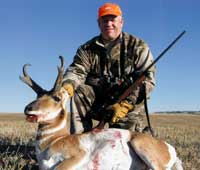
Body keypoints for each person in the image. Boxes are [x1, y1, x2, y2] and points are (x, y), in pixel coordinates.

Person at [62, 3, 155, 134]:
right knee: (78, 91)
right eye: (104, 20)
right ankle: (80, 141)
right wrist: (68, 84)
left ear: (121, 22)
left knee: (121, 145)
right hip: (98, 103)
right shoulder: (87, 49)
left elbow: (148, 81)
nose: (109, 23)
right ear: (98, 23)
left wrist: (127, 103)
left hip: (126, 106)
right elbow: (76, 70)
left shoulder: (138, 46)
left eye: (113, 20)